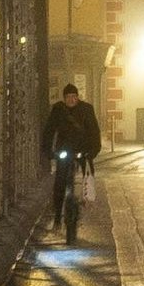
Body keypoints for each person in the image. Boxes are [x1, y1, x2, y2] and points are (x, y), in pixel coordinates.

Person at [44, 82, 103, 243]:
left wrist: (93, 151)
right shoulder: (58, 110)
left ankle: (87, 200)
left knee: (88, 177)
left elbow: (94, 131)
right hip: (64, 150)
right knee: (60, 182)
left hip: (83, 150)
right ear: (64, 98)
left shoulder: (86, 109)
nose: (71, 99)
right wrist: (48, 151)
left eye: (74, 96)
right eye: (68, 97)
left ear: (78, 97)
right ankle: (57, 215)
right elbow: (49, 130)